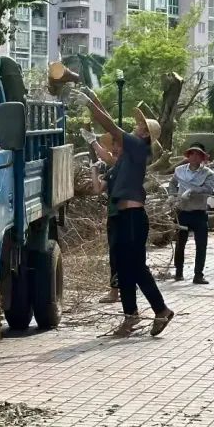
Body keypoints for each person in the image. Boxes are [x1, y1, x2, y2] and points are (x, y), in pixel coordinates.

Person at [81, 89, 175, 337]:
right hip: (123, 217)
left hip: (133, 217)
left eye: (140, 124)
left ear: (145, 134)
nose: (136, 126)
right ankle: (130, 316)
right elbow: (110, 138)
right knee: (124, 268)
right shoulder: (125, 157)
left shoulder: (138, 147)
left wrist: (90, 104)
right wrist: (94, 105)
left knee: (136, 267)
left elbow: (111, 126)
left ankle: (161, 309)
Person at [167, 143, 214, 284]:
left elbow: (209, 189)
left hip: (199, 212)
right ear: (188, 156)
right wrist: (171, 195)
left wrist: (193, 191)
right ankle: (178, 272)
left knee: (201, 244)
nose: (194, 157)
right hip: (182, 211)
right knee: (180, 243)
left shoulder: (207, 173)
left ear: (202, 158)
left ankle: (198, 275)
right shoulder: (179, 170)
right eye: (192, 154)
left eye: (198, 154)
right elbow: (172, 183)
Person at [91, 133, 121, 304]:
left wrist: (93, 142)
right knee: (115, 255)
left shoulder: (127, 166)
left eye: (117, 148)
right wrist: (94, 170)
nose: (114, 151)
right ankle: (115, 291)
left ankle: (120, 291)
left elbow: (106, 157)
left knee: (124, 256)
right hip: (113, 216)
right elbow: (98, 189)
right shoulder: (112, 171)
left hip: (126, 216)